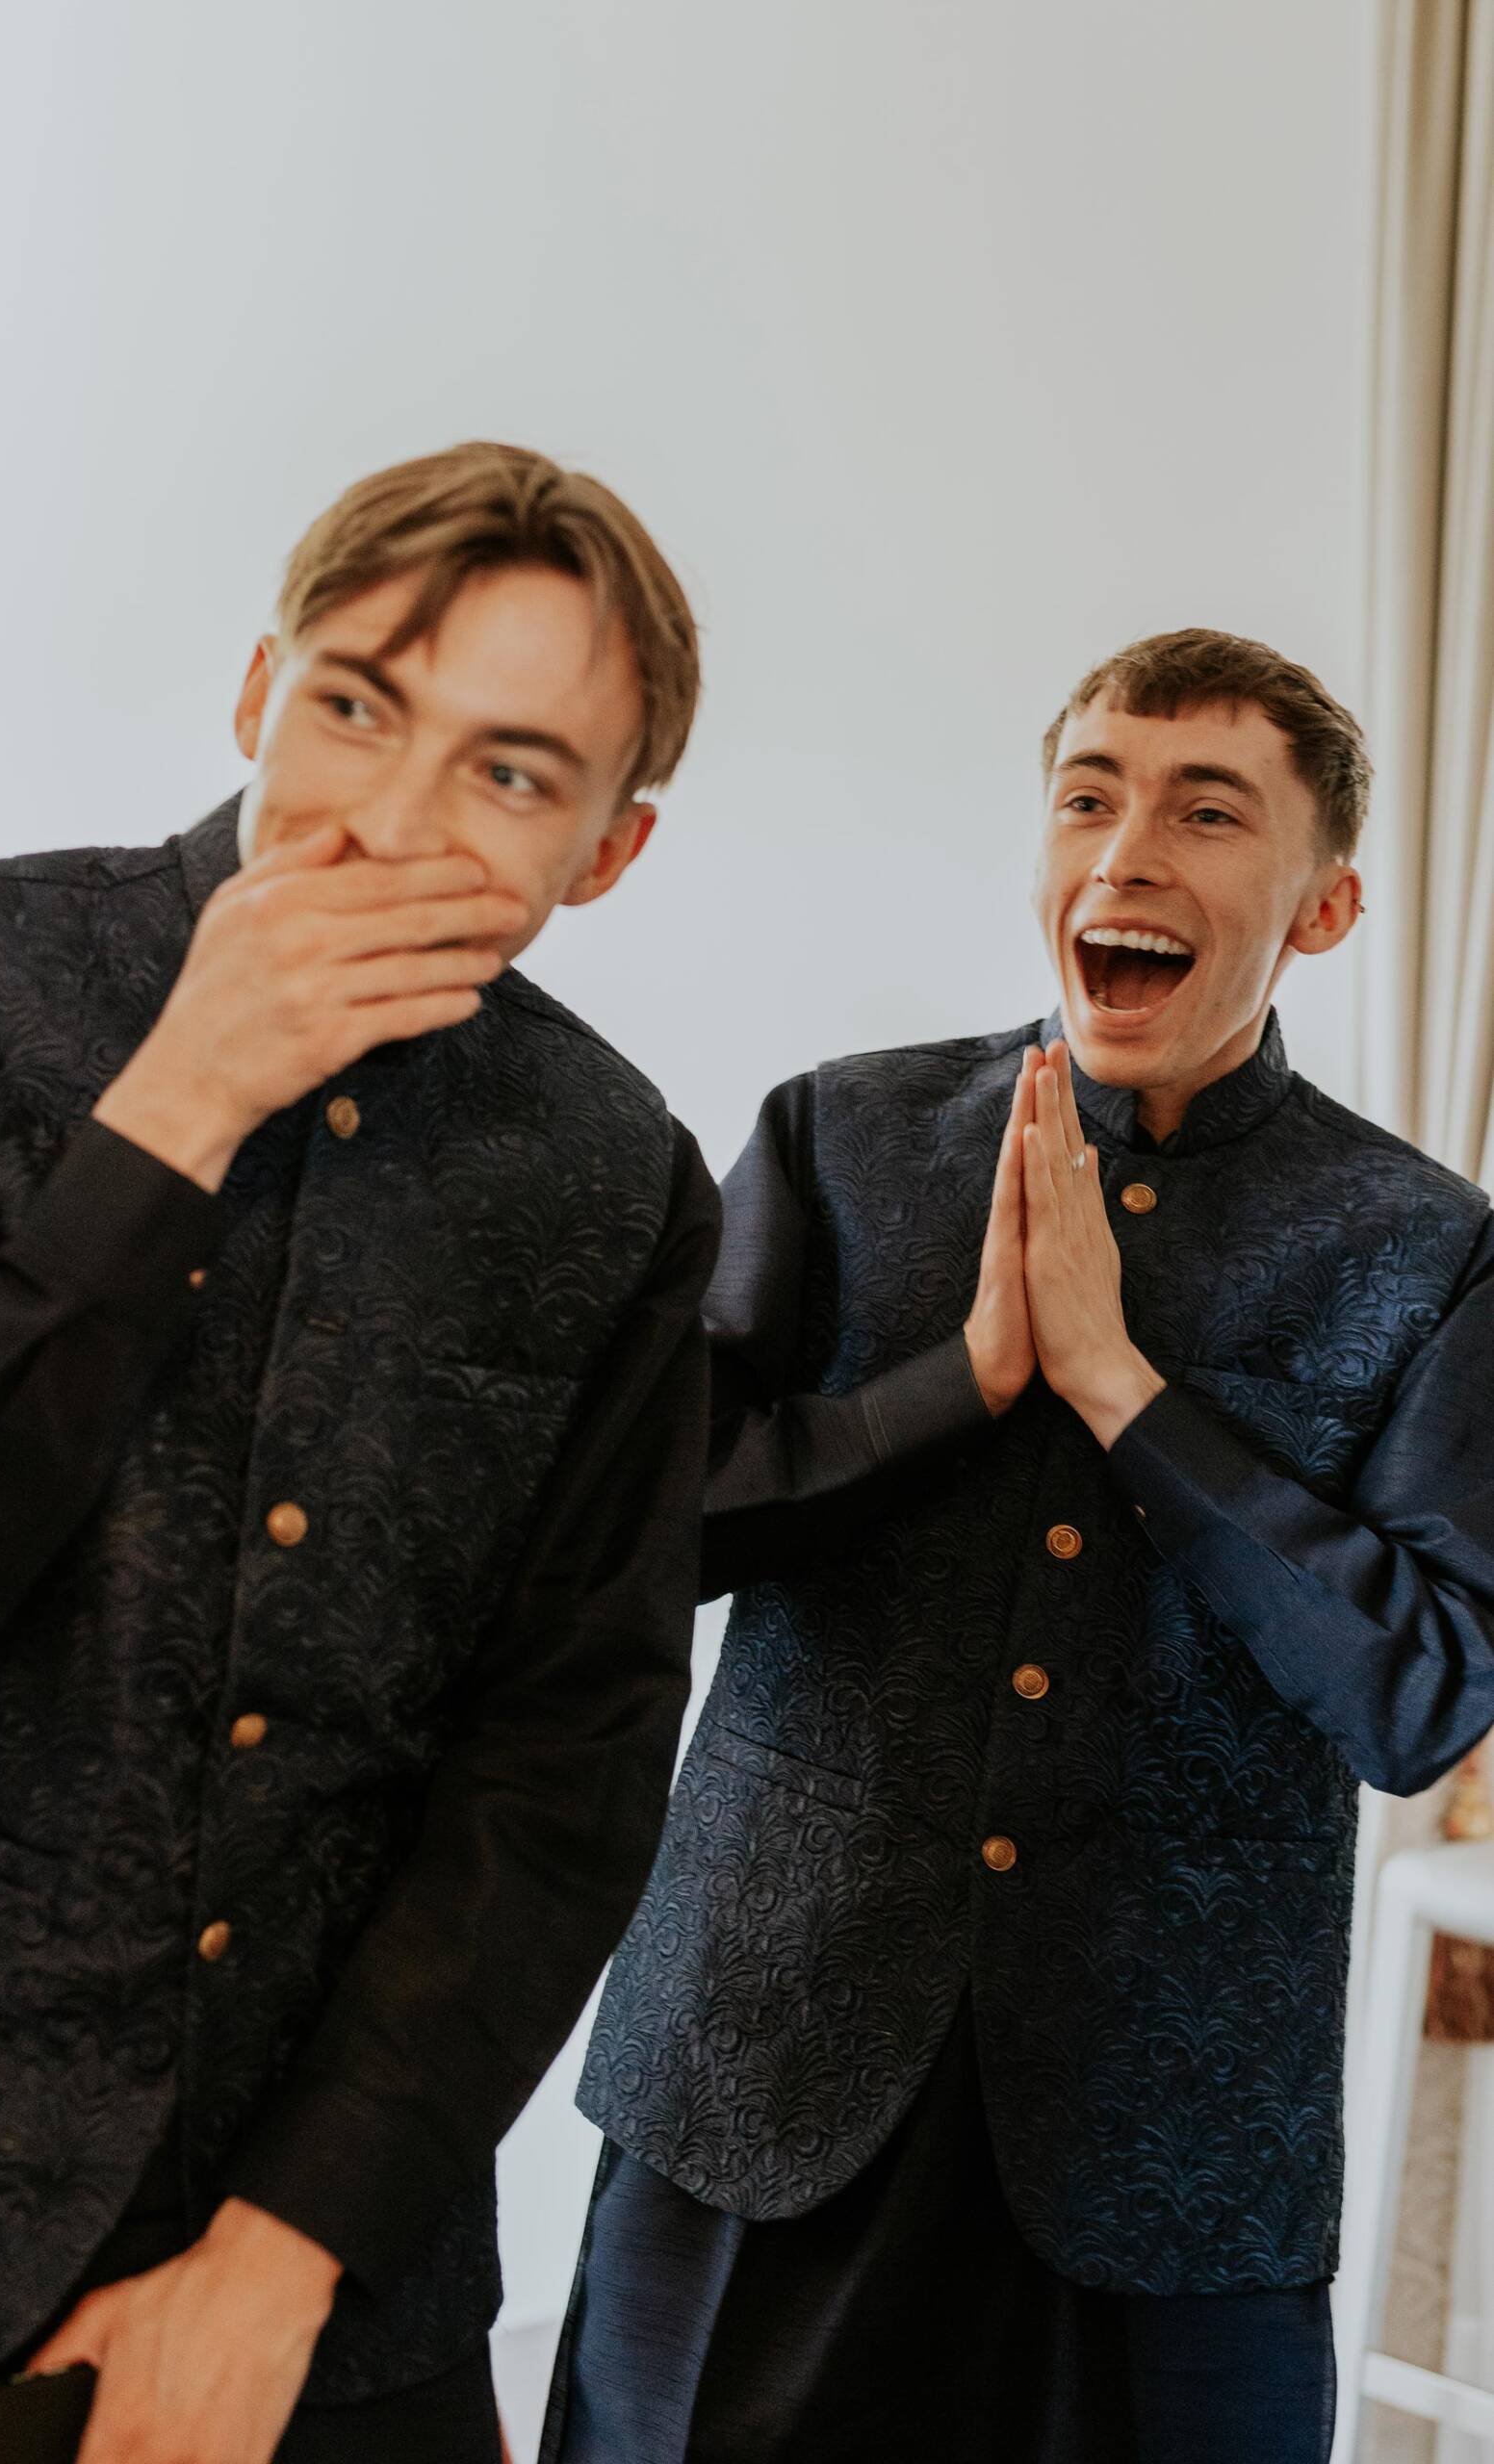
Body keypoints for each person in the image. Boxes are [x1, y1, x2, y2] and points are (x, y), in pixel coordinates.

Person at [0, 441, 721, 2464]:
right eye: (355, 705)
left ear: (607, 851)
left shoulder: (623, 1176)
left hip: (332, 2303)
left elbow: (564, 1764)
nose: (390, 820)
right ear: (258, 690)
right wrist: (176, 1110)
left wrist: (285, 2251)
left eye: (511, 772)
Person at [544, 629, 1494, 2464]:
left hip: (1174, 2136)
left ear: (1321, 906)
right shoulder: (838, 1138)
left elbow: (1419, 1695)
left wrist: (1126, 1396)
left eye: (1206, 812)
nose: (1126, 851)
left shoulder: (1431, 1248)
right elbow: (634, 1533)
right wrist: (962, 1381)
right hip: (758, 2064)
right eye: (1087, 798)